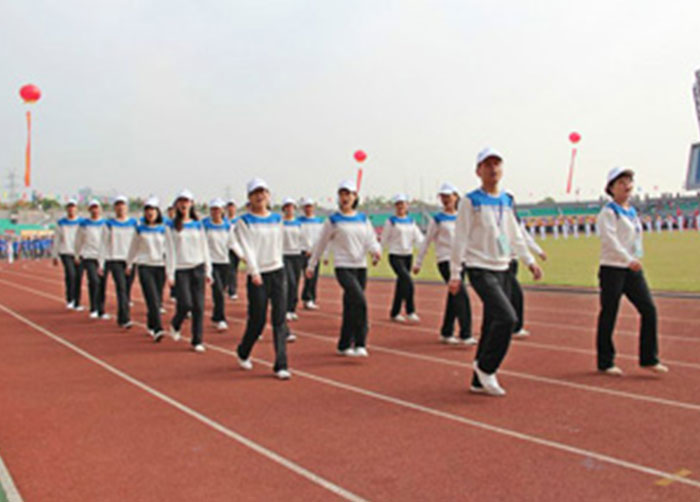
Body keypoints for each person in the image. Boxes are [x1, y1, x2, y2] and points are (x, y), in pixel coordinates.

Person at [449, 148, 543, 396]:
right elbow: (460, 238)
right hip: (480, 268)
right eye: (487, 165)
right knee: (507, 318)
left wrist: (529, 261)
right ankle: (487, 368)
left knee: (491, 324)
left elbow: (514, 234)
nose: (493, 169)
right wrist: (455, 273)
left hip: (503, 267)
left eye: (496, 164)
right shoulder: (470, 201)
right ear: (478, 171)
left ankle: (477, 381)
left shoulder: (507, 200)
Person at [595, 167, 668, 376]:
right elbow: (610, 240)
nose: (626, 186)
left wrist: (635, 256)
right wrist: (628, 259)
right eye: (621, 182)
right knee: (609, 313)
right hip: (613, 268)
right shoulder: (608, 212)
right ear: (611, 188)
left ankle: (649, 358)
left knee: (649, 309)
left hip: (631, 269)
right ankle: (605, 361)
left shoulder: (632, 211)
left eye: (628, 181)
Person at [307, 180, 381, 357]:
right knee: (360, 302)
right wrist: (312, 265)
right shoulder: (333, 220)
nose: (345, 197)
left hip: (360, 267)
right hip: (343, 266)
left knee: (350, 306)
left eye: (348, 194)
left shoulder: (363, 219)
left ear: (355, 197)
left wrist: (375, 252)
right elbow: (321, 243)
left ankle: (344, 344)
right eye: (342, 194)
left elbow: (371, 240)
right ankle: (360, 342)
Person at [234, 178, 292, 379]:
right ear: (249, 197)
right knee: (258, 320)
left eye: (263, 192)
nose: (260, 196)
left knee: (279, 318)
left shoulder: (277, 219)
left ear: (268, 195)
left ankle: (281, 364)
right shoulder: (244, 222)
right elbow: (247, 248)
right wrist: (254, 271)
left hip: (277, 271)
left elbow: (279, 244)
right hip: (257, 274)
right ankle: (243, 350)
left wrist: (280, 265)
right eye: (255, 193)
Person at [414, 183, 476, 345]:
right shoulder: (437, 220)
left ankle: (446, 332)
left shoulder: (463, 217)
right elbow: (426, 241)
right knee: (461, 295)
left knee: (454, 295)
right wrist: (418, 262)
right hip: (445, 260)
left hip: (462, 260)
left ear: (456, 197)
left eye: (448, 196)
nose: (445, 199)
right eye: (442, 196)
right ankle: (466, 334)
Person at [165, 190, 212, 353]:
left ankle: (197, 340)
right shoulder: (171, 226)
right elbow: (170, 251)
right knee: (185, 304)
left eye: (187, 201)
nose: (184, 204)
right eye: (181, 201)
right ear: (177, 205)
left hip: (198, 267)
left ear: (191, 204)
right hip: (181, 269)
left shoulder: (198, 224)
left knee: (199, 306)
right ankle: (176, 323)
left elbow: (204, 247)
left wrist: (208, 270)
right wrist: (170, 273)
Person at [505, 191, 548, 340]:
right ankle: (515, 327)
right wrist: (505, 254)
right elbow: (501, 238)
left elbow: (525, 238)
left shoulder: (516, 221)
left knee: (508, 294)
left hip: (514, 261)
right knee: (514, 294)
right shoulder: (499, 219)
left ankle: (508, 327)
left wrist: (538, 252)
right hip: (503, 263)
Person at [126, 197, 167, 341]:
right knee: (152, 298)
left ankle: (151, 322)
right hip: (144, 266)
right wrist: (129, 263)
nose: (150, 213)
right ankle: (158, 328)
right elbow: (133, 247)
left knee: (157, 298)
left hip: (160, 266)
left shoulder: (164, 228)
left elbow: (170, 248)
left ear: (157, 212)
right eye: (147, 210)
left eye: (153, 210)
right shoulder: (139, 229)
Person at [382, 193, 424, 322]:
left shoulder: (411, 221)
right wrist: (377, 253)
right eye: (398, 204)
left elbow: (418, 238)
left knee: (401, 284)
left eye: (403, 204)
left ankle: (395, 312)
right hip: (395, 255)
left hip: (408, 256)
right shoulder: (391, 221)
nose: (400, 206)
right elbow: (384, 239)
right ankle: (410, 311)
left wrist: (424, 247)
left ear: (407, 205)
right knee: (408, 281)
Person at [99, 195, 138, 329]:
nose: (120, 207)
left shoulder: (134, 223)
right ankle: (126, 318)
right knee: (121, 288)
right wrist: (101, 263)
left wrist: (134, 260)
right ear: (115, 208)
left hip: (130, 260)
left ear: (127, 207)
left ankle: (121, 317)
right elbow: (103, 244)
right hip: (114, 259)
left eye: (123, 204)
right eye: (118, 205)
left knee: (126, 289)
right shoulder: (109, 224)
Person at [203, 198, 238, 331]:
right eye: (213, 209)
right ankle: (221, 318)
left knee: (221, 291)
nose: (215, 212)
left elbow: (232, 243)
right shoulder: (205, 225)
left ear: (222, 210)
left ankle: (216, 316)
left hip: (224, 262)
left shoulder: (228, 226)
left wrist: (244, 256)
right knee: (217, 290)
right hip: (211, 263)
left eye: (218, 209)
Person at [74, 200, 108, 319]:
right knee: (94, 281)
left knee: (102, 283)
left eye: (96, 207)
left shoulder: (105, 224)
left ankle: (101, 310)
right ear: (89, 210)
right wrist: (77, 254)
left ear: (100, 209)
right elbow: (78, 240)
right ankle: (93, 307)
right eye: (92, 208)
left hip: (103, 256)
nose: (95, 210)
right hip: (88, 256)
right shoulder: (84, 224)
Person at [52, 199, 83, 310]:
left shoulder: (82, 222)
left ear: (76, 209)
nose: (71, 209)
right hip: (66, 252)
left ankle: (77, 301)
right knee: (71, 274)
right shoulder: (61, 223)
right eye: (69, 207)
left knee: (78, 277)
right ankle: (70, 298)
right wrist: (55, 255)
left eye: (73, 207)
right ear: (66, 209)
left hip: (80, 253)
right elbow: (57, 239)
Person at [298, 197, 324, 310]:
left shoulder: (319, 222)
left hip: (314, 253)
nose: (308, 209)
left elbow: (321, 238)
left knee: (312, 277)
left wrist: (315, 251)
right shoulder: (298, 222)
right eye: (306, 207)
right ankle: (292, 300)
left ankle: (309, 299)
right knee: (296, 278)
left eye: (310, 206)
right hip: (301, 252)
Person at [281, 197, 304, 321]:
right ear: (284, 209)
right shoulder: (280, 223)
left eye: (291, 206)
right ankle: (285, 308)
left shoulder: (299, 223)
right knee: (290, 282)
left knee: (296, 282)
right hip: (284, 255)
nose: (289, 209)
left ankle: (292, 308)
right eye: (287, 206)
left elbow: (303, 239)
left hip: (297, 255)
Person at [225, 199, 241, 300]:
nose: (231, 209)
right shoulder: (223, 220)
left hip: (236, 248)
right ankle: (230, 289)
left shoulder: (239, 221)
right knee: (228, 269)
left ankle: (231, 288)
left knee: (233, 269)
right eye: (229, 206)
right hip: (225, 248)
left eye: (232, 206)